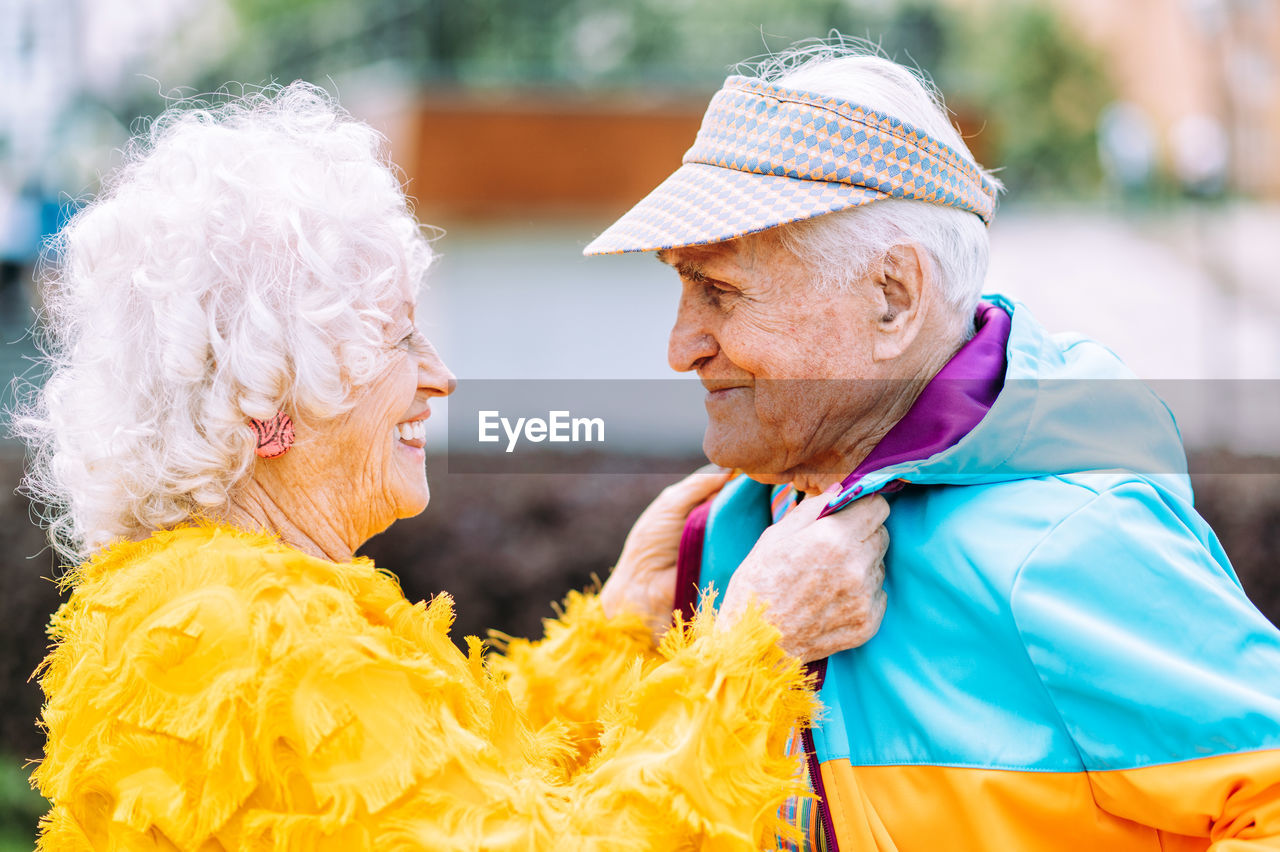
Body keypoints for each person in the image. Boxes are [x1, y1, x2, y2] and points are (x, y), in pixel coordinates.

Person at [16, 83, 894, 850]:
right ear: (267, 401)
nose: (439, 373)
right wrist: (754, 646)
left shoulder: (192, 611)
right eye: (399, 337)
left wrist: (622, 622)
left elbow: (453, 802)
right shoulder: (262, 644)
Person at [584, 41, 1280, 850]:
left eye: (720, 290)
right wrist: (628, 625)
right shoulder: (733, 541)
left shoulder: (1070, 543)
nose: (681, 346)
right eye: (681, 283)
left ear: (894, 298)